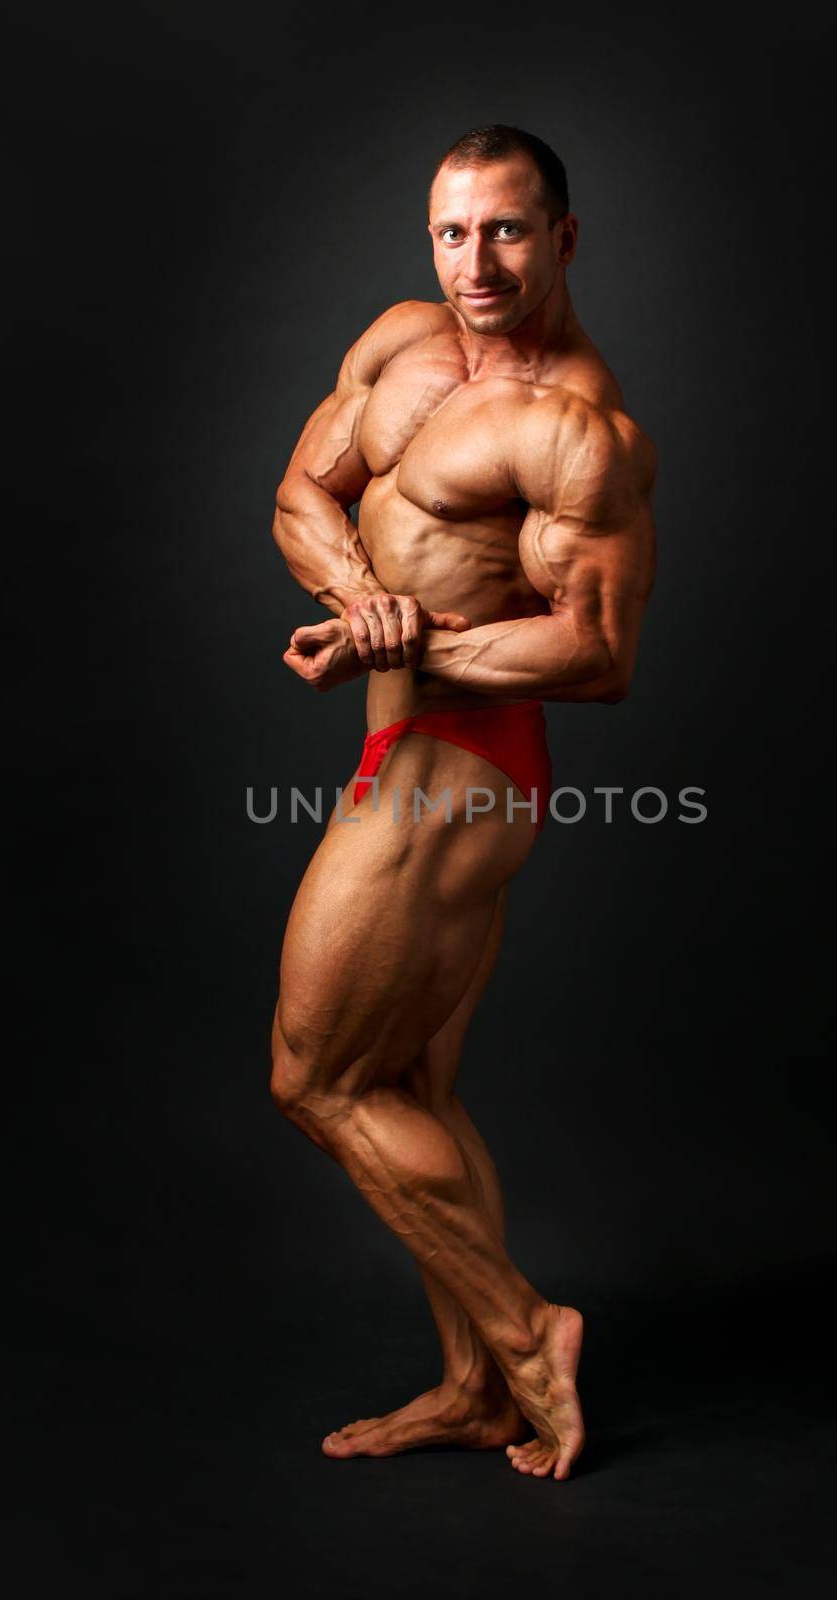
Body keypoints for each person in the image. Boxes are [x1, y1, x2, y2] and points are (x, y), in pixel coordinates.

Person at [270, 124, 657, 1481]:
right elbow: (300, 496)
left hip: (466, 765)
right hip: (401, 743)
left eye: (504, 229)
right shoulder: (396, 343)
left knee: (312, 1077)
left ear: (563, 236)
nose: (474, 260)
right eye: (451, 231)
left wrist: (411, 643)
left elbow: (600, 654)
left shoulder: (575, 423)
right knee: (415, 1080)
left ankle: (526, 1331)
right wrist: (356, 599)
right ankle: (475, 1389)